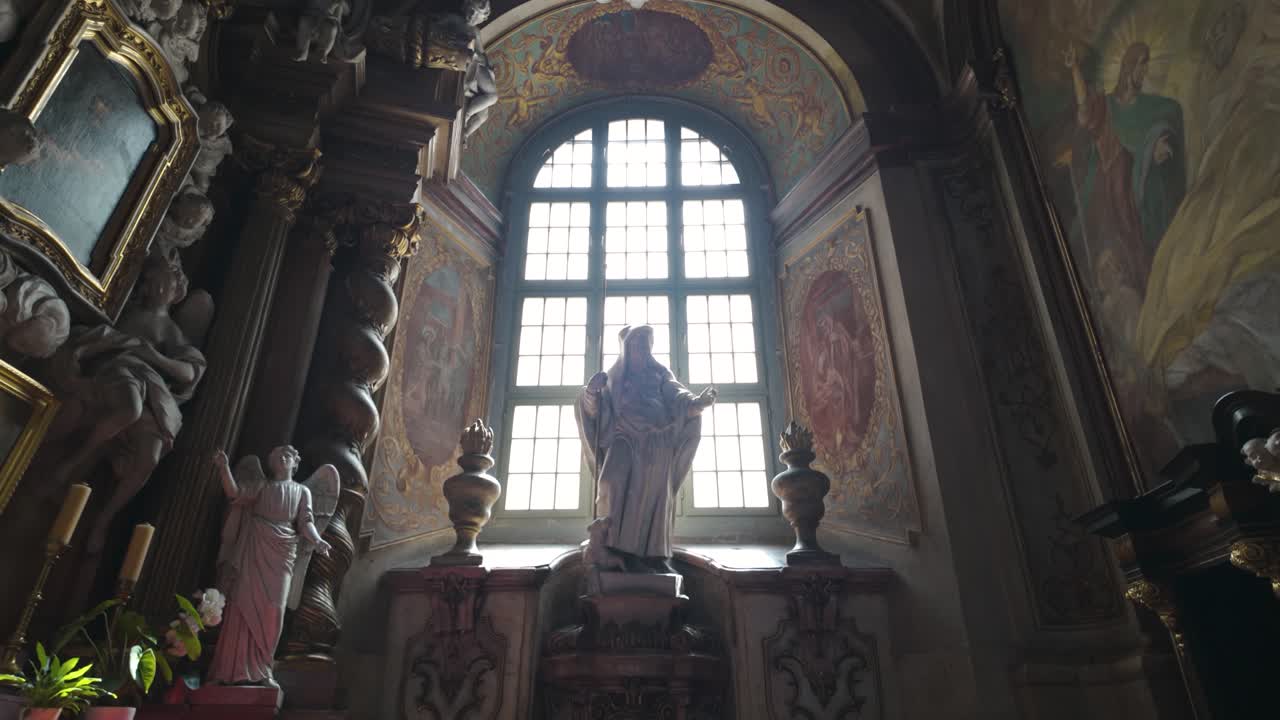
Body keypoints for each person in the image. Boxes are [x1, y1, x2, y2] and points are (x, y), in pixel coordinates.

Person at [576, 325, 715, 574]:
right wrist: (591, 392)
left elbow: (677, 395)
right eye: (635, 344)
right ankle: (611, 548)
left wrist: (696, 404)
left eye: (644, 343)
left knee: (655, 497)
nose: (641, 348)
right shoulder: (614, 377)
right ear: (626, 348)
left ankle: (653, 556)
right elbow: (595, 412)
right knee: (610, 482)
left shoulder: (660, 373)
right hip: (623, 436)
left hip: (656, 440)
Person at [208, 446, 335, 687]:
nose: (283, 459)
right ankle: (230, 670)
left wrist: (317, 541)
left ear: (295, 463)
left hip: (283, 550)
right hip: (254, 545)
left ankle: (263, 668)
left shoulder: (302, 491)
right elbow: (234, 493)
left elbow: (306, 521)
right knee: (241, 606)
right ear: (272, 463)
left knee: (273, 611)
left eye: (288, 456)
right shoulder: (262, 486)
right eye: (278, 456)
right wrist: (224, 467)